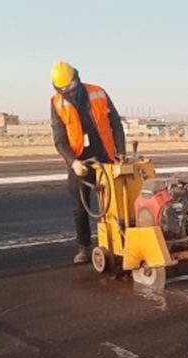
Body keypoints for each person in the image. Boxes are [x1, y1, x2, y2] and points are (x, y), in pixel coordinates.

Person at [49, 61, 127, 264]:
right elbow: (59, 139)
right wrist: (73, 162)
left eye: (71, 87)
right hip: (80, 163)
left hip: (105, 157)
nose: (69, 93)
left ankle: (118, 243)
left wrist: (121, 152)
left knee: (115, 204)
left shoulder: (97, 92)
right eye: (64, 90)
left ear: (77, 78)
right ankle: (84, 248)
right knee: (80, 207)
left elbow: (116, 123)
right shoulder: (56, 103)